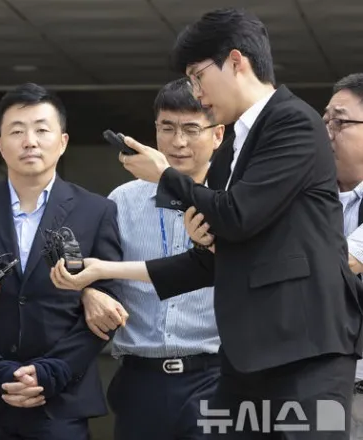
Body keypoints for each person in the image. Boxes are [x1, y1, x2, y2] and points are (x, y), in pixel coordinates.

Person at [59, 8, 362, 440]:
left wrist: (165, 176)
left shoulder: (293, 121)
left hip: (306, 348)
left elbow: (236, 215)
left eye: (198, 77)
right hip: (247, 357)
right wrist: (103, 269)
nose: (198, 93)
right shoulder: (235, 143)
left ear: (236, 62)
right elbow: (209, 259)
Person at [0, 83, 124, 440]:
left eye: (41, 130)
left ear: (62, 142)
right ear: (1, 145)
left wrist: (53, 370)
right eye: (17, 131)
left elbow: (108, 304)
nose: (29, 141)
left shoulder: (97, 211)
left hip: (60, 401)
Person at [61, 77, 224, 440]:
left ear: (217, 135)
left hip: (216, 376)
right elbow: (96, 276)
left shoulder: (232, 200)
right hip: (140, 379)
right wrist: (89, 292)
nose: (178, 142)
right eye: (167, 128)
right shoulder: (123, 200)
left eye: (191, 129)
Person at [320, 73, 363, 439]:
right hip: (320, 388)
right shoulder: (307, 198)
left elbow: (340, 264)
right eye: (324, 121)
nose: (327, 132)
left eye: (340, 122)